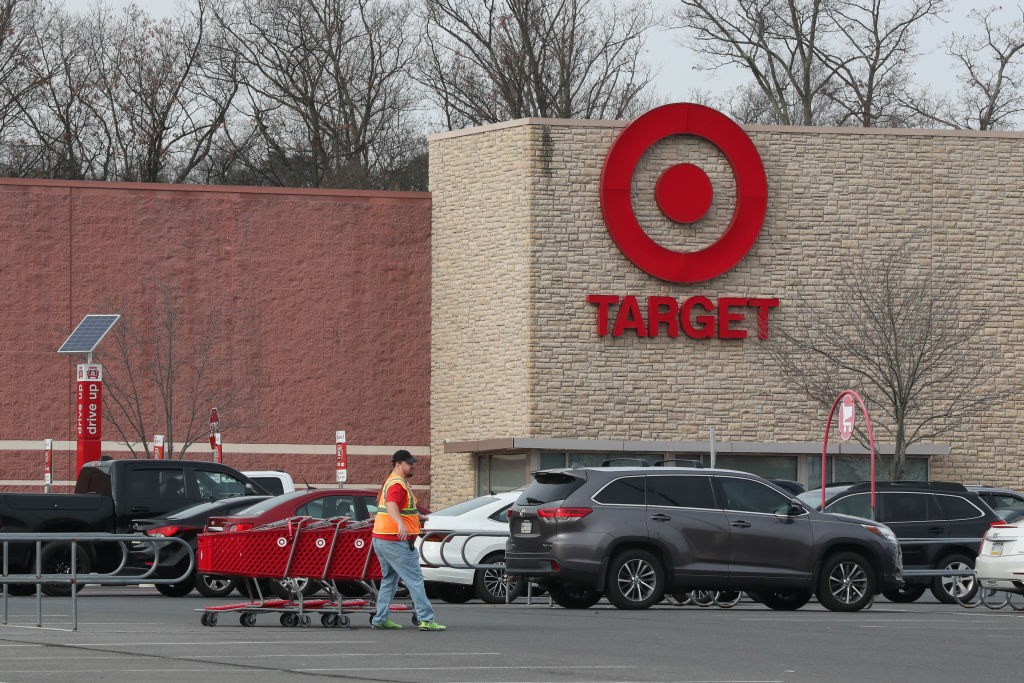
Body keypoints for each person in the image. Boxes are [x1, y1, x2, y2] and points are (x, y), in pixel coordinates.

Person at [370, 449, 446, 631]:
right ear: (398, 464)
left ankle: (380, 619)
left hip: (381, 538)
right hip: (395, 540)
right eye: (409, 463)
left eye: (413, 463)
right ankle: (426, 619)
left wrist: (415, 518)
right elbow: (391, 505)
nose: (413, 466)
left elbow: (400, 508)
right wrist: (401, 525)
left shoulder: (393, 482)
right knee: (415, 579)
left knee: (389, 579)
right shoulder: (397, 483)